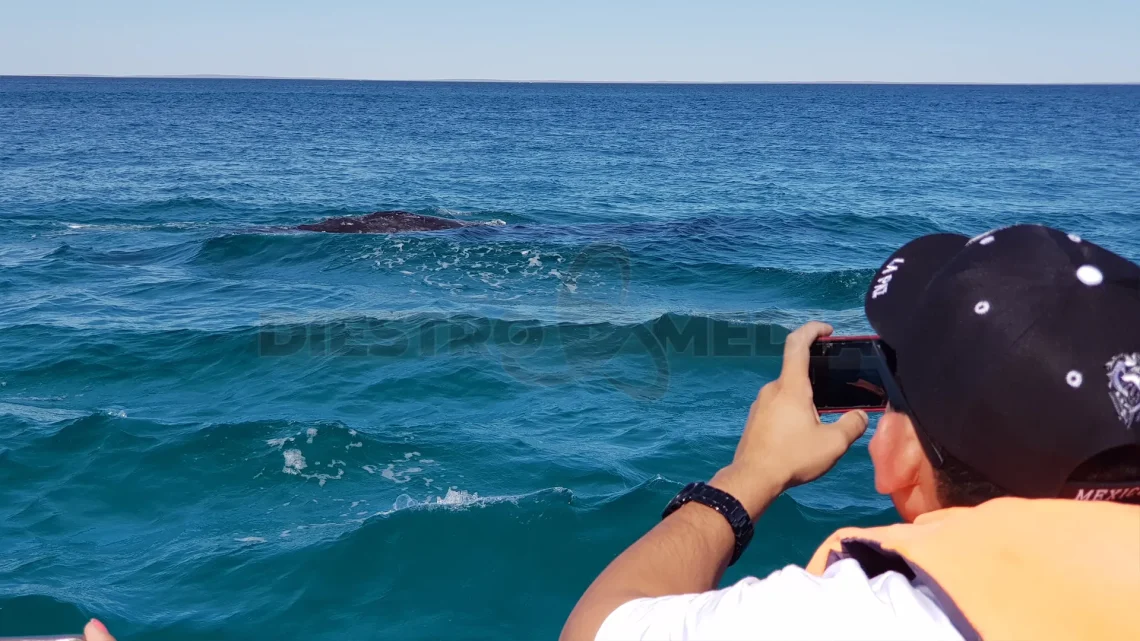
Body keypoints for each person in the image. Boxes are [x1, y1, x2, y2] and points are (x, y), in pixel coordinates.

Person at [561, 224, 1140, 641]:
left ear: (896, 457)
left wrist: (747, 477)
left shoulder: (882, 619)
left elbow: (597, 630)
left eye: (891, 397)